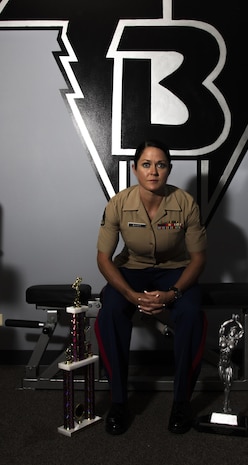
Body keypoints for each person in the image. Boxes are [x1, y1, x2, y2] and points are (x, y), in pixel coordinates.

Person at [95, 140, 207, 435]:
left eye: (161, 164)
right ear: (135, 169)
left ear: (169, 169)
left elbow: (198, 260)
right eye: (146, 164)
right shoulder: (118, 203)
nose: (153, 171)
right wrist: (130, 295)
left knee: (192, 313)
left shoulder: (186, 203)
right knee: (111, 312)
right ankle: (118, 401)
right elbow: (104, 259)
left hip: (175, 271)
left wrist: (173, 294)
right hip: (132, 271)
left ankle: (181, 402)